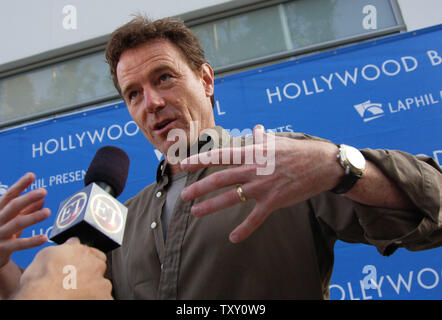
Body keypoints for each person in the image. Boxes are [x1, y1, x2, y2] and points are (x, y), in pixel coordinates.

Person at [0, 15, 441, 300]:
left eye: (164, 78)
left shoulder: (282, 162)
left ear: (206, 80)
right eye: (133, 93)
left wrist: (336, 165)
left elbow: (433, 207)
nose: (150, 102)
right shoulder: (119, 219)